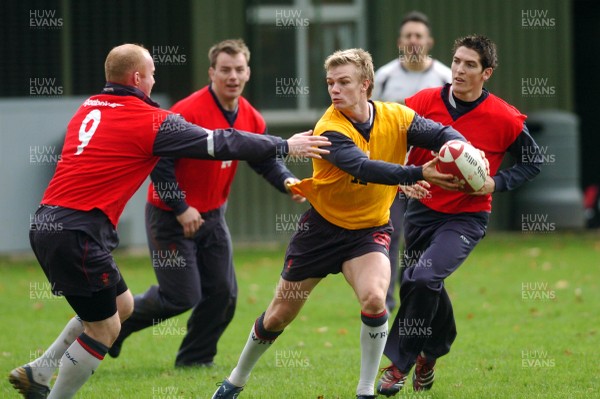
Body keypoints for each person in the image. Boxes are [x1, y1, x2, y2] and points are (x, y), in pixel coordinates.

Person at [8, 43, 329, 399]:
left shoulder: (88, 108)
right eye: (152, 73)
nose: (154, 79)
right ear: (137, 78)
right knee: (105, 327)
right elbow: (219, 142)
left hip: (50, 222)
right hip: (79, 232)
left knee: (123, 306)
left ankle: (39, 371)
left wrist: (281, 172)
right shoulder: (151, 119)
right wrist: (284, 145)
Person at [211, 48, 467, 399]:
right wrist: (416, 172)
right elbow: (363, 167)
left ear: (366, 85)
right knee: (278, 316)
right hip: (320, 231)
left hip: (369, 231)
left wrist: (462, 149)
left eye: (343, 82)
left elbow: (441, 134)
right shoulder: (330, 127)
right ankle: (236, 380)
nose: (334, 89)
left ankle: (364, 391)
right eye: (330, 82)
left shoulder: (398, 116)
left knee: (376, 299)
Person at [108, 39, 305, 367]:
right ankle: (118, 325)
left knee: (223, 294)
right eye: (225, 70)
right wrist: (181, 208)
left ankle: (195, 360)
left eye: (239, 69)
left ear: (248, 73)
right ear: (211, 72)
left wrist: (287, 181)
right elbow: (160, 164)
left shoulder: (252, 118)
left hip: (213, 217)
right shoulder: (186, 111)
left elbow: (264, 159)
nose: (233, 76)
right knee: (180, 296)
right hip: (170, 216)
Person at [376, 35, 542, 396]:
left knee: (422, 279)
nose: (459, 70)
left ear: (487, 73)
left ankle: (399, 365)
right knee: (420, 282)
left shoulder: (505, 117)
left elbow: (533, 161)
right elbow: (390, 141)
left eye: (470, 64)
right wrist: (403, 181)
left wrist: (495, 183)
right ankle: (433, 352)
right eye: (456, 62)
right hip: (421, 210)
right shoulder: (420, 104)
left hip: (466, 218)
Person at [371, 10, 452, 314]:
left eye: (419, 36)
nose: (414, 41)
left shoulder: (445, 78)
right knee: (388, 236)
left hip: (433, 175)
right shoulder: (384, 77)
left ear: (429, 41)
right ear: (399, 42)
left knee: (423, 242)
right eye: (408, 36)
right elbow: (370, 119)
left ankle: (418, 300)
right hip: (393, 174)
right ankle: (385, 301)